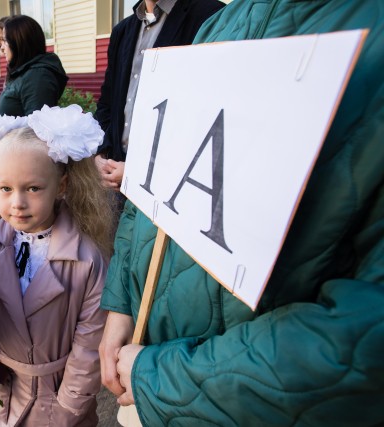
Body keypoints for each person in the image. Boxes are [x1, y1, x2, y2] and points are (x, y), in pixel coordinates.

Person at [99, 1, 384, 426]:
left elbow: (363, 341)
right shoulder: (223, 23)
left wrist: (163, 377)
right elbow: (156, 183)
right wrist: (123, 299)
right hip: (147, 373)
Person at [0, 105, 113, 426]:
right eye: (6, 188)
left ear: (61, 186)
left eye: (32, 188)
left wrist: (67, 411)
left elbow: (88, 350)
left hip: (58, 397)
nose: (17, 202)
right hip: (5, 385)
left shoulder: (85, 261)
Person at [94, 0, 224, 193]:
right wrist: (101, 154)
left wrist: (139, 170)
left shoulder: (210, 15)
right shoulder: (122, 30)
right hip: (114, 179)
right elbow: (108, 102)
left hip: (171, 186)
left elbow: (208, 115)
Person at [0, 15, 68, 117]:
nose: (2, 47)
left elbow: (36, 128)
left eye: (5, 40)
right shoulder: (23, 72)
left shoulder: (37, 76)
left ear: (19, 42)